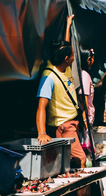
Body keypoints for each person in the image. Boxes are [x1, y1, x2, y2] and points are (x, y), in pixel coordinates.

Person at [36, 39, 88, 169]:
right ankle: (81, 189)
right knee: (81, 159)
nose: (74, 57)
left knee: (69, 161)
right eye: (72, 55)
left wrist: (68, 24)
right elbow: (41, 106)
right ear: (66, 58)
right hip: (63, 126)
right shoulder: (48, 77)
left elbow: (66, 43)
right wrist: (41, 132)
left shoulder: (66, 68)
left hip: (72, 123)